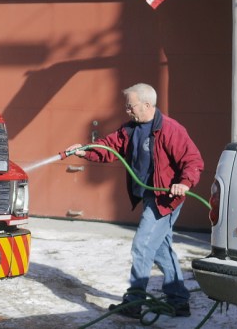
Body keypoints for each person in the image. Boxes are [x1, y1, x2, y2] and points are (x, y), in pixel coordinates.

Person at [66, 83, 203, 319]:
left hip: (165, 198)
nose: (127, 110)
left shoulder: (169, 129)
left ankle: (134, 301)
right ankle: (179, 300)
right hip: (149, 197)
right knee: (159, 249)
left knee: (142, 245)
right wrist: (86, 150)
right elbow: (109, 148)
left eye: (131, 106)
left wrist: (185, 183)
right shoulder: (130, 129)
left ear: (147, 105)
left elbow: (193, 161)